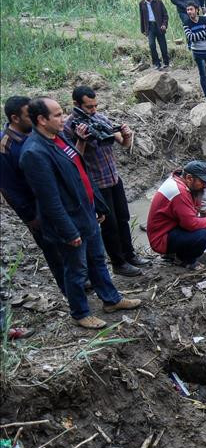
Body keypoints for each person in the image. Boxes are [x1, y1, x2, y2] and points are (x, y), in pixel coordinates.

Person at [19, 97, 142, 329]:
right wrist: (69, 231)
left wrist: (97, 205)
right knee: (76, 269)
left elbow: (80, 173)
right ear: (41, 120)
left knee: (97, 260)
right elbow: (49, 200)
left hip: (85, 213)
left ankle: (111, 299)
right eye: (56, 115)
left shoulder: (60, 138)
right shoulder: (34, 153)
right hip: (69, 222)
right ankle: (80, 312)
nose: (63, 118)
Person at [64, 86, 148, 278]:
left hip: (113, 178)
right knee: (109, 225)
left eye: (95, 105)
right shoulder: (69, 127)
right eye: (88, 107)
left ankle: (130, 255)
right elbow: (71, 161)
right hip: (95, 183)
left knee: (123, 218)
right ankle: (118, 263)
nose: (93, 110)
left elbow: (123, 144)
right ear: (76, 104)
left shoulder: (100, 118)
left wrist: (127, 134)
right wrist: (82, 140)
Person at [0, 96, 65, 291]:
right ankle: (68, 289)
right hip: (36, 208)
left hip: (55, 200)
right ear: (15, 118)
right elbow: (8, 188)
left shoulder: (37, 134)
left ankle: (80, 280)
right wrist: (30, 217)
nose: (36, 119)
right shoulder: (6, 148)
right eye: (30, 115)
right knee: (53, 250)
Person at [146, 161, 206, 271]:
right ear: (189, 178)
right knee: (204, 235)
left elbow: (193, 212)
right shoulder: (180, 192)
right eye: (202, 182)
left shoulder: (179, 182)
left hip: (167, 230)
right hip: (161, 239)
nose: (205, 185)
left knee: (202, 226)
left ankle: (175, 254)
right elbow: (191, 224)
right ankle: (185, 260)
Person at [139, 0, 170, 70]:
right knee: (152, 45)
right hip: (149, 26)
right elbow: (141, 17)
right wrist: (143, 30)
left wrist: (164, 25)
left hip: (159, 25)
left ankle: (166, 62)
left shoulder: (158, 2)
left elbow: (165, 15)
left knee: (163, 45)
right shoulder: (142, 3)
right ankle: (157, 63)